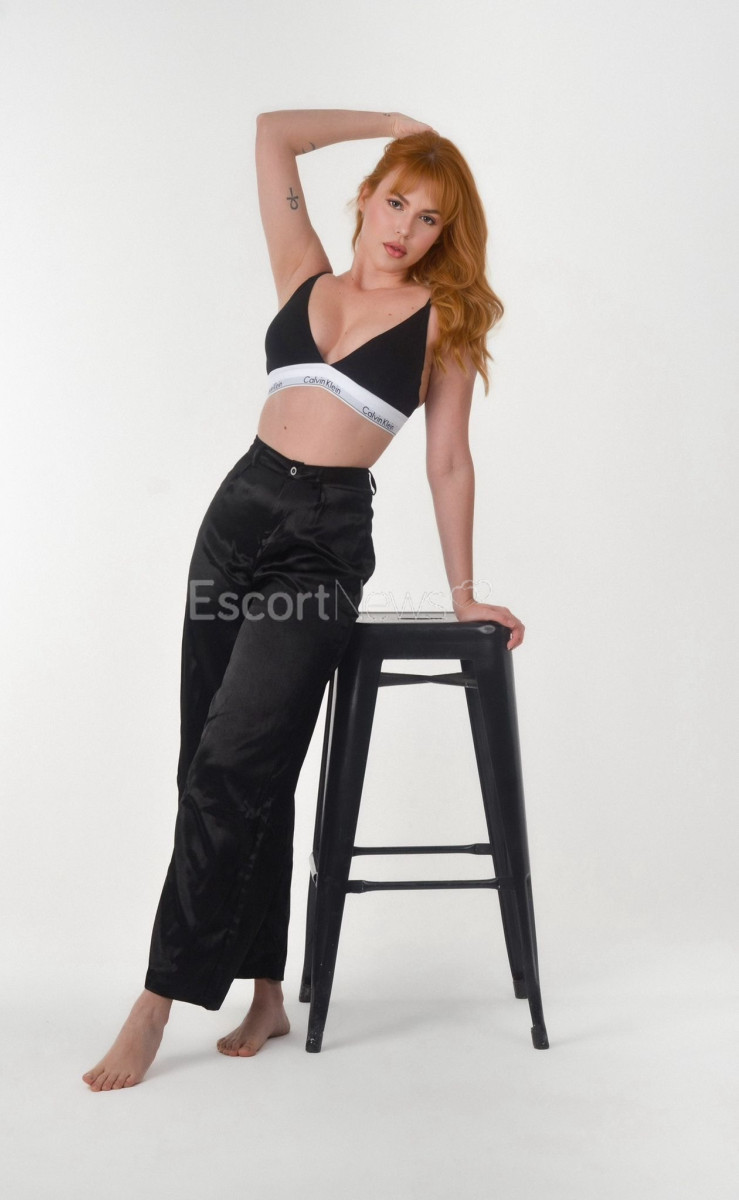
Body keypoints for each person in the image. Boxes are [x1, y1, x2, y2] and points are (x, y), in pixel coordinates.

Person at [82, 108, 525, 1091]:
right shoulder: (304, 274)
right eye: (396, 202)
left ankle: (156, 1001)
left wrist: (464, 596)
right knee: (219, 761)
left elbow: (448, 462)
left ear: (444, 235)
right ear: (366, 198)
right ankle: (266, 989)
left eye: (429, 218)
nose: (405, 229)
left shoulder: (441, 322)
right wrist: (393, 125)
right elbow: (273, 134)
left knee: (232, 762)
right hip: (236, 520)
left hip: (320, 549)